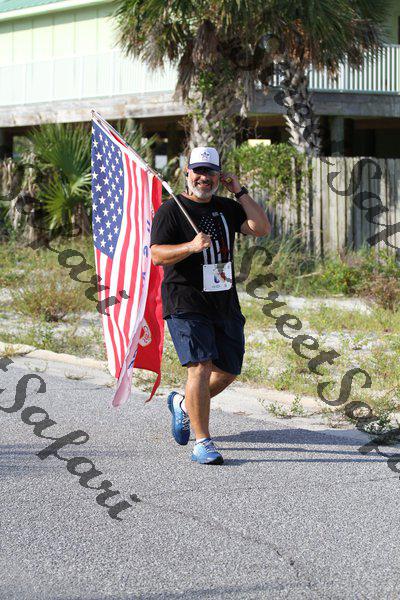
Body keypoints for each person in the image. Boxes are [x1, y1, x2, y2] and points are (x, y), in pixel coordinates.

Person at [150, 146, 270, 464]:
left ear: (219, 176)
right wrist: (190, 247)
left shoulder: (226, 207)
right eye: (199, 171)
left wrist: (240, 191)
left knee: (228, 371)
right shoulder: (171, 210)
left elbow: (261, 228)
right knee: (200, 367)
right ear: (187, 173)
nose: (204, 178)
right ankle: (203, 442)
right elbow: (157, 254)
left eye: (211, 172)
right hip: (185, 300)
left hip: (223, 299)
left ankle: (182, 404)